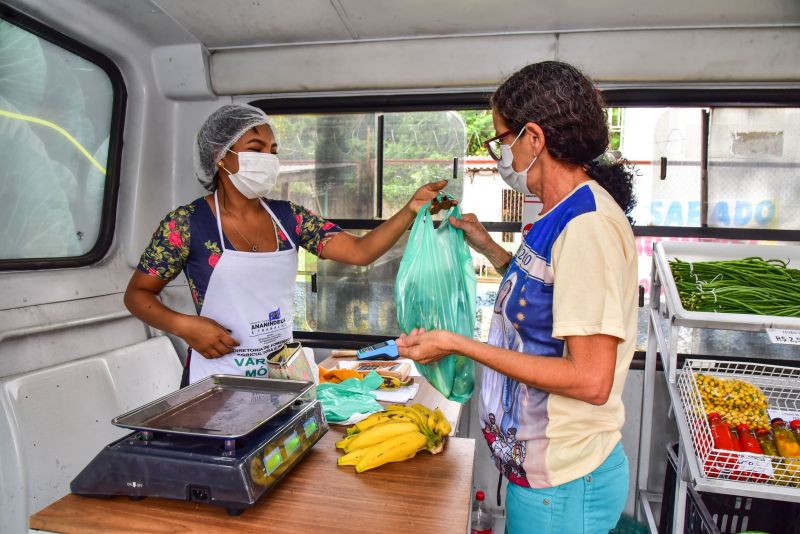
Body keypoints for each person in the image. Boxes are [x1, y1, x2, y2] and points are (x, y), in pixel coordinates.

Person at [395, 61, 637, 533]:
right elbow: (550, 299)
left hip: (565, 486)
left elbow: (591, 380)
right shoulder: (557, 213)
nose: (499, 153)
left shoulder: (587, 226)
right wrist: (489, 248)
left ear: (534, 137)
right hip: (543, 477)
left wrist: (459, 344)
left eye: (500, 139)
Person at [124, 104, 447, 385]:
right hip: (215, 378)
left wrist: (409, 209)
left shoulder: (289, 218)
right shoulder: (186, 223)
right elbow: (137, 295)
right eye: (256, 148)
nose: (268, 159)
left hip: (280, 375)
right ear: (220, 157)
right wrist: (184, 326)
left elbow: (361, 252)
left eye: (273, 151)